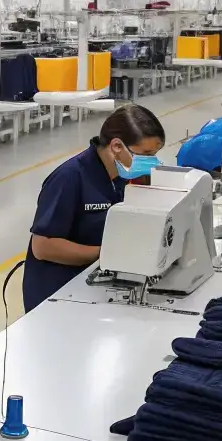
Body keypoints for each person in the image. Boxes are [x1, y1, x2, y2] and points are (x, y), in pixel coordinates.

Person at [22, 103, 166, 312]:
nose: (151, 161)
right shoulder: (69, 178)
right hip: (58, 295)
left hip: (96, 286)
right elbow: (42, 247)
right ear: (117, 147)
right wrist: (104, 254)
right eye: (146, 154)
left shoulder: (122, 175)